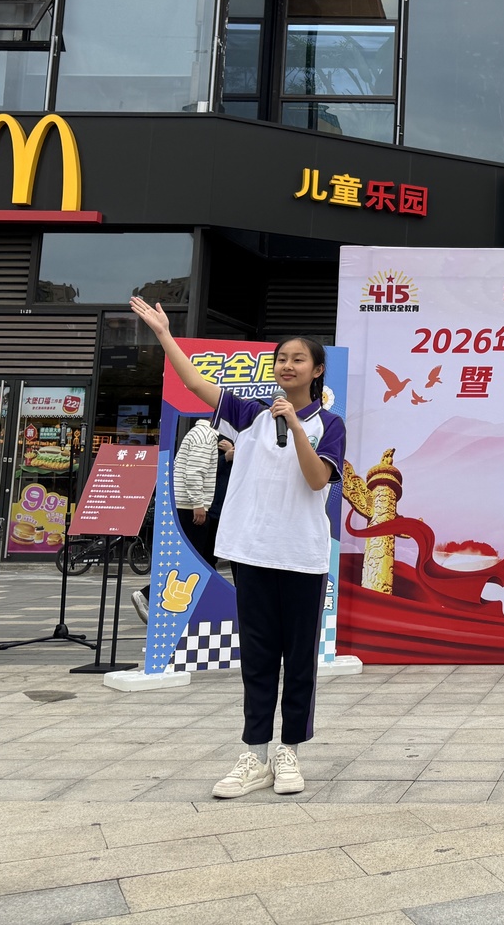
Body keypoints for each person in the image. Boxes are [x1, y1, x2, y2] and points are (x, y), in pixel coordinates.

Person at [130, 296, 345, 798]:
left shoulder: (328, 424)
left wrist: (295, 426)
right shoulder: (248, 413)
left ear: (316, 371)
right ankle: (254, 753)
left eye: (298, 359)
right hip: (251, 552)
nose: (287, 365)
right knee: (258, 656)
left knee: (299, 658)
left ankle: (290, 750)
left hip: (302, 556)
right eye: (281, 358)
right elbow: (193, 383)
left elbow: (317, 480)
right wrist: (165, 335)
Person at [132, 417, 224, 625]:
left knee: (202, 560)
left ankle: (203, 607)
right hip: (190, 507)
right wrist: (198, 503)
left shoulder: (197, 434)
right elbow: (194, 473)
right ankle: (147, 595)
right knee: (193, 561)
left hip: (186, 504)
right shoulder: (205, 436)